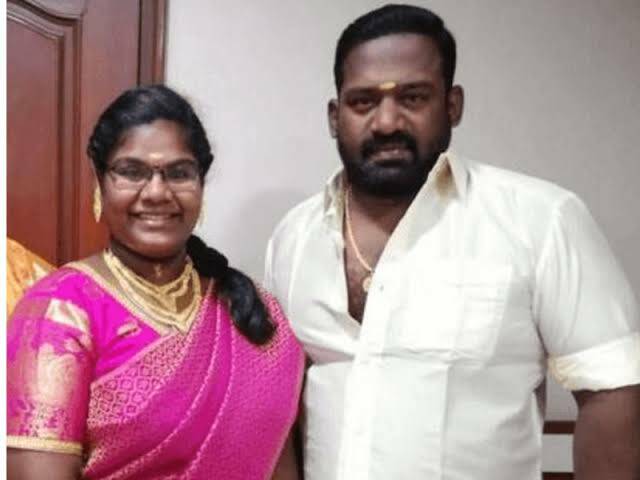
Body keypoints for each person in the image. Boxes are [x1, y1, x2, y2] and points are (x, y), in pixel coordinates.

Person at [264, 4, 640, 479]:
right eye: (363, 102)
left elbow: (612, 390)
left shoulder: (542, 220)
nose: (386, 122)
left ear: (452, 104)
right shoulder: (293, 238)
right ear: (335, 117)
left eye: (413, 97)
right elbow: (278, 402)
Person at [7, 85, 304, 480]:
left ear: (201, 184)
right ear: (99, 181)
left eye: (179, 173)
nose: (157, 193)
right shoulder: (59, 310)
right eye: (132, 172)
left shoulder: (251, 312)